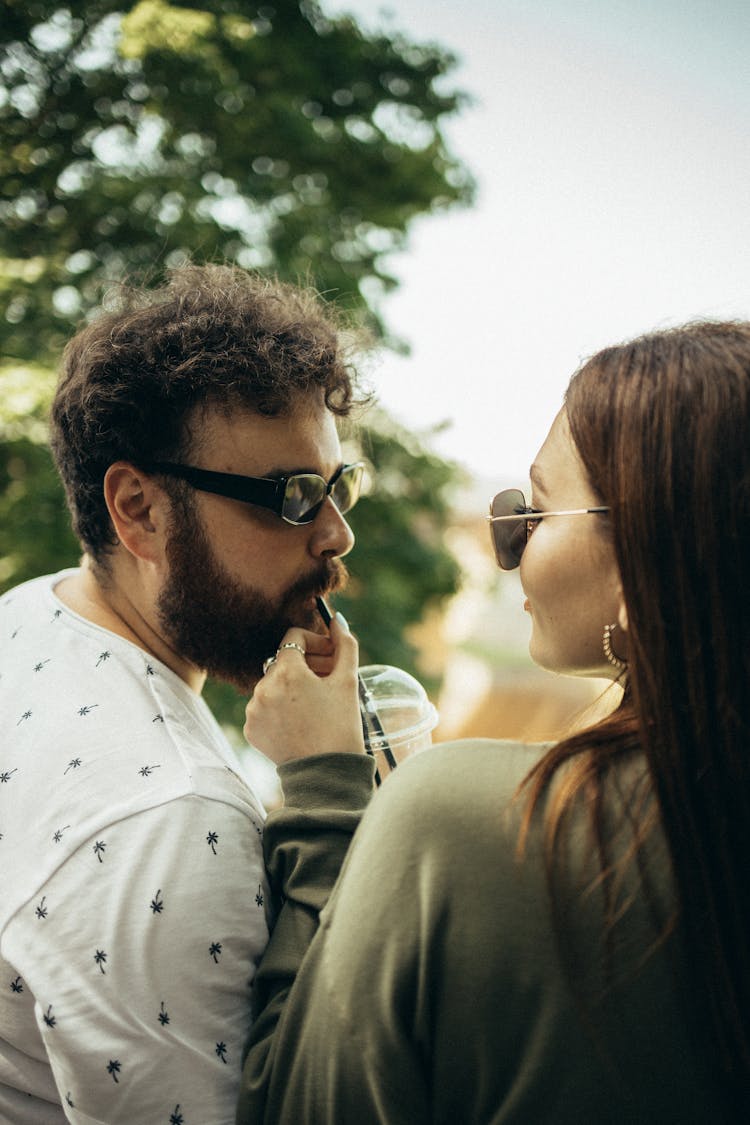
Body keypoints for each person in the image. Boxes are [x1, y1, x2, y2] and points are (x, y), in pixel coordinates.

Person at [236, 320, 750, 1124]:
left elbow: (290, 1106)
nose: (506, 538)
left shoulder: (462, 820)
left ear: (646, 555)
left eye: (536, 509)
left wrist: (321, 785)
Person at [0, 263, 366, 1124]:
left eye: (336, 484)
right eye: (291, 496)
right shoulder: (176, 814)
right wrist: (330, 790)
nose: (337, 532)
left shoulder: (30, 611)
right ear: (139, 510)